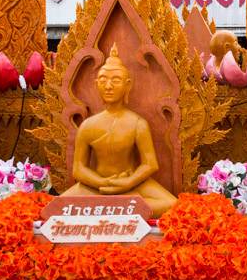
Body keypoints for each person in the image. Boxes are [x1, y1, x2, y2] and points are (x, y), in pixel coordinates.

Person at [62, 44, 177, 217]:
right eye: (102, 80)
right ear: (96, 84)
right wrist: (103, 182)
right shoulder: (88, 125)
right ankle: (124, 207)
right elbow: (78, 169)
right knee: (58, 207)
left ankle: (109, 207)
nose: (108, 86)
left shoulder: (138, 123)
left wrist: (127, 183)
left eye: (115, 80)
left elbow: (150, 164)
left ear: (127, 85)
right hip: (95, 186)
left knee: (172, 205)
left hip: (133, 184)